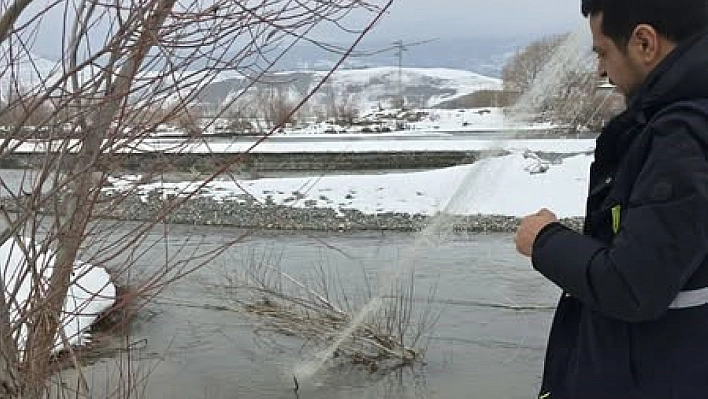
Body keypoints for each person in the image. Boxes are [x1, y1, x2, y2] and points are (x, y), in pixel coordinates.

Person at [514, 0, 708, 398]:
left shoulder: (681, 138)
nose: (600, 69)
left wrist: (545, 241)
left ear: (644, 43)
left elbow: (633, 286)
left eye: (602, 52)